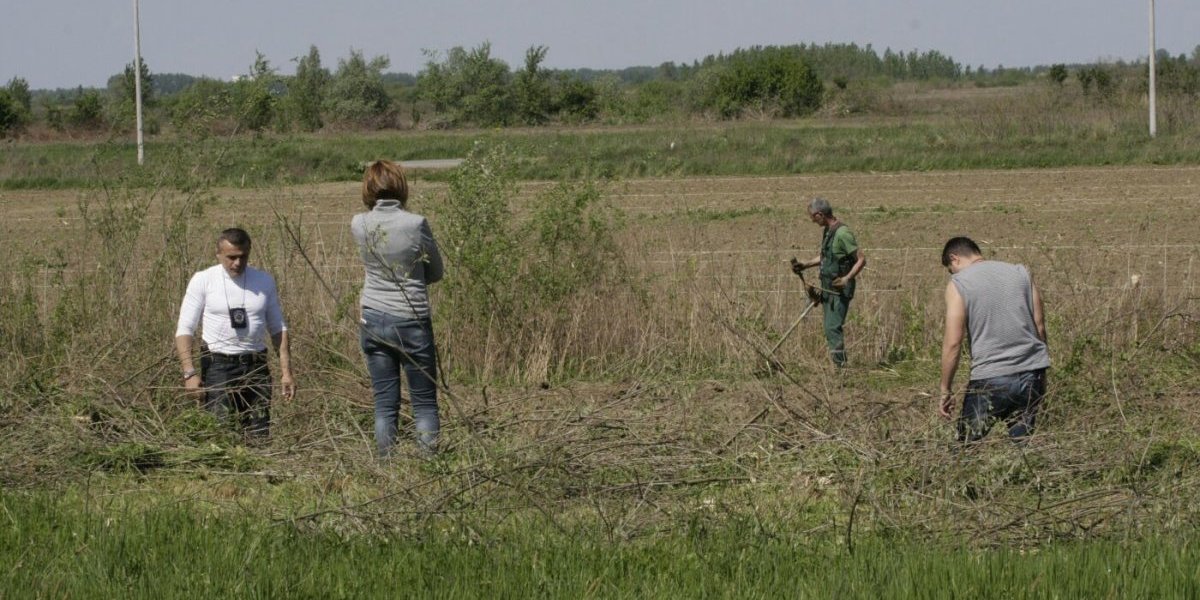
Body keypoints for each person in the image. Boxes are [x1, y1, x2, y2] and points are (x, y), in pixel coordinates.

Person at [352, 160, 444, 457]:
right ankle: (430, 465)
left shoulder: (359, 223)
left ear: (368, 189)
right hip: (411, 319)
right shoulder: (416, 224)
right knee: (424, 402)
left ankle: (385, 466)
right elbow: (436, 271)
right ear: (401, 186)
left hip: (373, 318)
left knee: (384, 402)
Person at [175, 228, 295, 440]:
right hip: (218, 366)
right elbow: (185, 329)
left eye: (243, 257)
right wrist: (189, 373)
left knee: (258, 433)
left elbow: (278, 328)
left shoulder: (264, 281)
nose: (237, 263)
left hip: (256, 366)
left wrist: (286, 372)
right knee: (220, 434)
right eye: (231, 257)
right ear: (218, 254)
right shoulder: (203, 280)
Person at [938, 236, 1050, 443]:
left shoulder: (959, 283)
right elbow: (1039, 326)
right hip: (1031, 373)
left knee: (965, 450)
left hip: (991, 377)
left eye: (949, 269)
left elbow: (953, 343)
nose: (951, 274)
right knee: (1022, 450)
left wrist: (946, 389)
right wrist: (1042, 372)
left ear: (954, 259)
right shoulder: (1021, 272)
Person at [791, 197, 866, 367]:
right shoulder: (828, 231)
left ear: (820, 215)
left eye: (812, 217)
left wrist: (847, 278)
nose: (812, 220)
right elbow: (826, 257)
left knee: (833, 327)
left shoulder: (842, 233)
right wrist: (805, 265)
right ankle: (839, 366)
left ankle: (841, 370)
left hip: (840, 289)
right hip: (827, 286)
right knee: (828, 327)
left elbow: (861, 259)